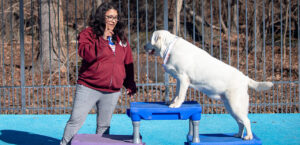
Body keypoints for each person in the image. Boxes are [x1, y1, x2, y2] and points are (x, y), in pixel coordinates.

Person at [60, 2, 136, 145]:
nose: (113, 20)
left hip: (112, 91)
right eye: (109, 17)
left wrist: (130, 83)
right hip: (89, 87)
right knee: (75, 121)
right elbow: (86, 54)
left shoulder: (121, 38)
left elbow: (127, 62)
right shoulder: (88, 34)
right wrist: (102, 39)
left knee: (104, 126)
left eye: (115, 17)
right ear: (101, 17)